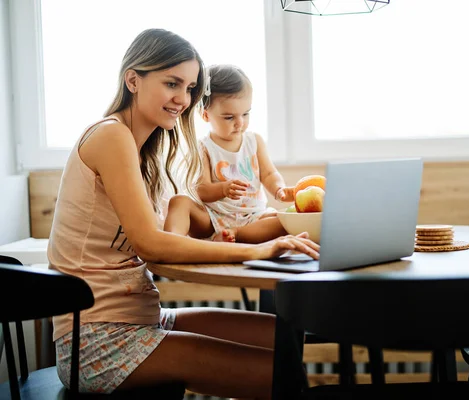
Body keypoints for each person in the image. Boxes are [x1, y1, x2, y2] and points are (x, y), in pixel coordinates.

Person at [47, 28, 319, 399]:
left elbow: (167, 239)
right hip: (100, 339)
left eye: (190, 88)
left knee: (282, 336)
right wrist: (254, 250)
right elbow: (153, 247)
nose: (183, 99)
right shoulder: (111, 136)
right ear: (133, 80)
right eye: (172, 83)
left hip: (143, 318)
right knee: (282, 372)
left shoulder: (142, 151)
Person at [163, 64, 295, 244]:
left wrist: (279, 189)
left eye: (245, 114)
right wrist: (223, 189)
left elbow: (269, 174)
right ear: (206, 115)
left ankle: (237, 234)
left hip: (252, 217)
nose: (240, 123)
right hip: (213, 218)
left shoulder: (254, 141)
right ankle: (173, 244)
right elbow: (201, 190)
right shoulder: (203, 147)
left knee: (283, 219)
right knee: (180, 202)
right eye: (229, 117)